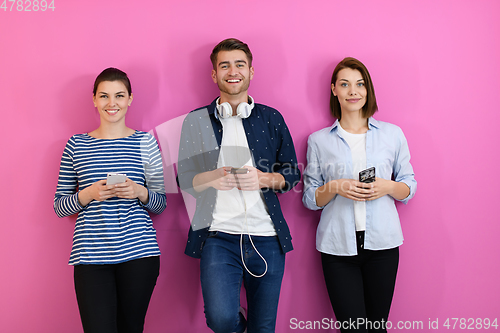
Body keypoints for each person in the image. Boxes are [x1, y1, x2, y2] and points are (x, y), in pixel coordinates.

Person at [177, 38, 300, 333]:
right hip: (218, 238)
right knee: (220, 319)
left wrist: (263, 179)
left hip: (267, 237)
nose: (233, 71)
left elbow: (292, 174)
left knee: (264, 327)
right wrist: (213, 178)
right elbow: (185, 179)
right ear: (214, 74)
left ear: (251, 71)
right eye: (224, 65)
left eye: (239, 64)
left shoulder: (272, 119)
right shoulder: (196, 121)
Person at [302, 57, 417, 333]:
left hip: (383, 247)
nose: (353, 91)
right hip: (337, 248)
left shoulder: (392, 134)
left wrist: (386, 187)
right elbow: (309, 198)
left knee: (377, 329)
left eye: (360, 84)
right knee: (353, 330)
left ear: (368, 90)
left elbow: (409, 187)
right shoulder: (319, 140)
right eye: (345, 84)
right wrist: (336, 187)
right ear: (334, 90)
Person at [54, 68, 166, 333]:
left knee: (131, 328)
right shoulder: (76, 145)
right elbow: (60, 206)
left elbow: (160, 204)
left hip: (139, 254)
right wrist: (87, 194)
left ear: (130, 99)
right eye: (104, 96)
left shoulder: (146, 143)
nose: (112, 103)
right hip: (90, 257)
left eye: (119, 95)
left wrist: (139, 192)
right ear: (94, 99)